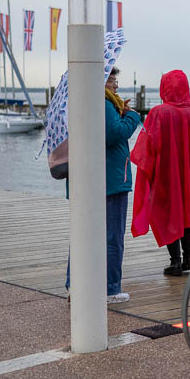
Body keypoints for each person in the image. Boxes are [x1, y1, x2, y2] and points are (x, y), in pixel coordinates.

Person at [64, 66, 142, 304]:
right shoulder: (103, 103)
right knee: (112, 236)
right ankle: (110, 288)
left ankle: (74, 283)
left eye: (115, 79)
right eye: (111, 79)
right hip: (110, 180)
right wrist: (132, 117)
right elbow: (113, 133)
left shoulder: (83, 100)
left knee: (84, 234)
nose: (115, 84)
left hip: (89, 179)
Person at [130, 70, 190, 277]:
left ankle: (175, 261)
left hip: (166, 173)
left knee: (168, 212)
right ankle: (189, 257)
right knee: (187, 211)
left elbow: (148, 145)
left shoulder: (159, 113)